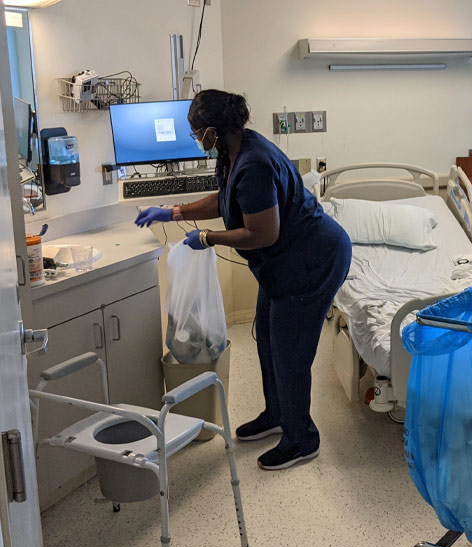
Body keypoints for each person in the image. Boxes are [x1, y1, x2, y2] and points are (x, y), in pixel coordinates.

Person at [136, 89, 351, 470]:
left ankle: (302, 438)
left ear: (214, 131)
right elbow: (226, 199)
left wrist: (207, 238)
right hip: (286, 262)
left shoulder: (255, 163)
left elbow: (262, 234)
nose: (195, 138)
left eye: (196, 131)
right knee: (267, 339)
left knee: (291, 355)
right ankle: (277, 414)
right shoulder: (233, 152)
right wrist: (173, 212)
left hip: (313, 261)